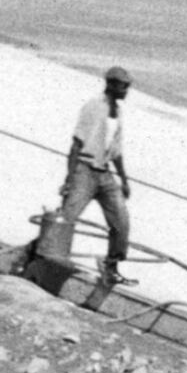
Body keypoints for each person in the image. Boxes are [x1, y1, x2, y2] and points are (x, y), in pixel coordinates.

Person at [58, 66, 134, 295]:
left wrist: (124, 179)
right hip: (85, 169)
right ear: (111, 85)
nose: (127, 90)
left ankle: (111, 265)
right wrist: (70, 178)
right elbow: (77, 143)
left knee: (121, 221)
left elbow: (116, 151)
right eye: (123, 86)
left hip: (105, 172)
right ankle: (43, 255)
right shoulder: (93, 106)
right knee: (66, 217)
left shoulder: (118, 113)